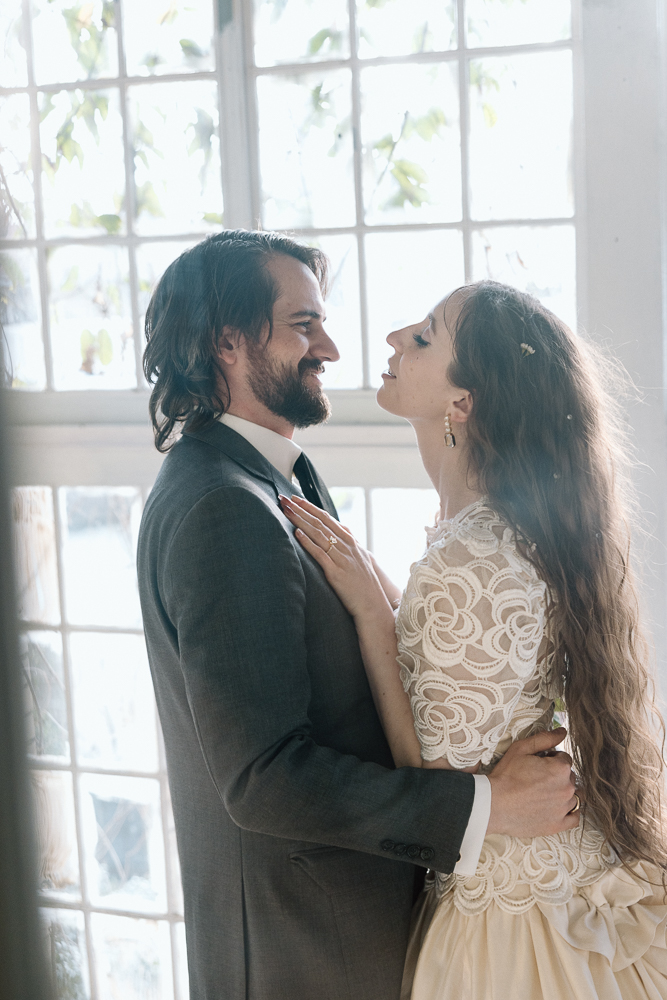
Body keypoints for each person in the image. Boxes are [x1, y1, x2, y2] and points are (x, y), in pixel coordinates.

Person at [138, 232, 578, 1000]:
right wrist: (485, 805)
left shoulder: (272, 478)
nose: (332, 348)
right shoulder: (222, 509)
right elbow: (265, 780)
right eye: (303, 325)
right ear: (227, 343)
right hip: (308, 950)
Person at [281, 279, 667, 999]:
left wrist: (372, 616)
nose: (396, 337)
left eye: (424, 337)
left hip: (513, 930)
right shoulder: (493, 535)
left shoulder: (470, 558)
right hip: (547, 885)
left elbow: (433, 781)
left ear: (462, 404)